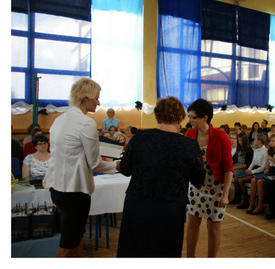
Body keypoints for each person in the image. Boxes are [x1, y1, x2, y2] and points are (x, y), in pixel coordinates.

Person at [117, 97, 204, 257]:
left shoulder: (139, 138)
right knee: (165, 252)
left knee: (133, 251)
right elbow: (199, 180)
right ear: (180, 118)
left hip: (138, 203)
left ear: (157, 116)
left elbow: (125, 169)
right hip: (170, 208)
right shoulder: (189, 145)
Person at [44, 78, 118, 256]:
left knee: (76, 238)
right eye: (96, 98)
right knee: (67, 246)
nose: (98, 102)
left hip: (57, 187)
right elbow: (95, 163)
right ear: (85, 98)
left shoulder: (60, 119)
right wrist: (118, 166)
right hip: (74, 190)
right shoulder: (86, 123)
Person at [184, 98, 233, 258]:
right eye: (189, 116)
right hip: (196, 187)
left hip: (216, 188)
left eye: (193, 117)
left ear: (205, 118)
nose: (189, 120)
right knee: (192, 224)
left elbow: (228, 168)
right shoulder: (190, 134)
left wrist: (225, 195)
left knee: (213, 228)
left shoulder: (220, 136)